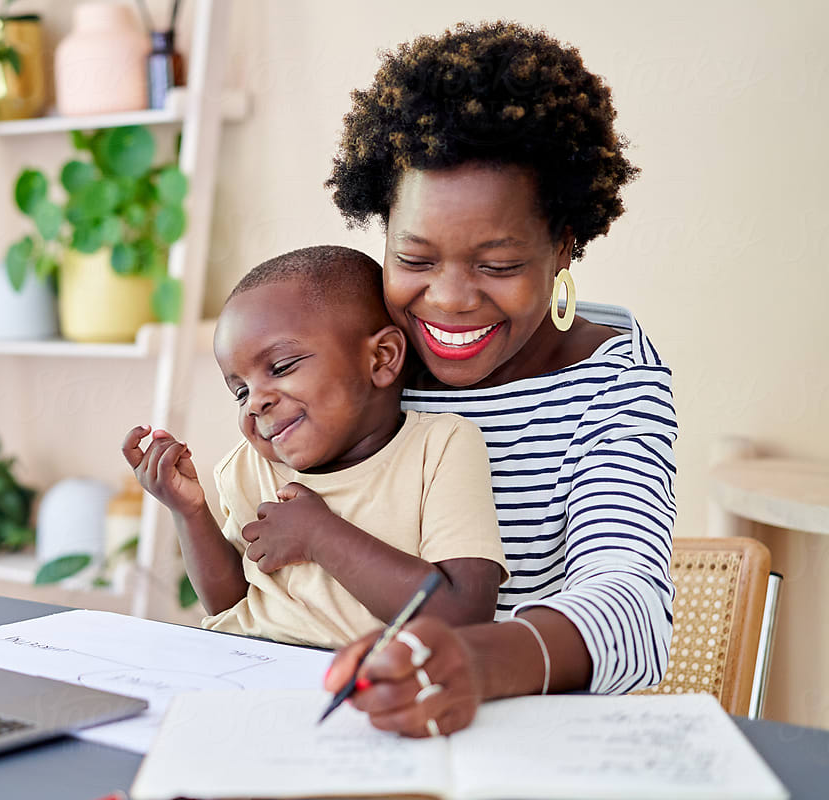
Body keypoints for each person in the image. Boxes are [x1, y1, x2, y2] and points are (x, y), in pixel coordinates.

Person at [321, 21, 678, 737]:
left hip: (527, 746)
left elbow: (634, 608)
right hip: (352, 729)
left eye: (498, 265)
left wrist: (473, 662)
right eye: (415, 260)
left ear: (564, 244)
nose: (450, 300)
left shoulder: (613, 384)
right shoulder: (368, 356)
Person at [122, 245, 507, 649]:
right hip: (243, 668)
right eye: (240, 391)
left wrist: (320, 536)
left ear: (381, 358)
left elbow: (463, 615)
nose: (255, 402)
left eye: (282, 367)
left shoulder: (440, 448)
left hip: (367, 689)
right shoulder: (247, 467)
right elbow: (231, 604)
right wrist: (191, 512)